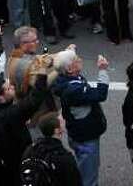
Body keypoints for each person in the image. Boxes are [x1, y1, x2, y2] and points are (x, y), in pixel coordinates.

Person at [51, 48, 111, 186]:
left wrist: (69, 53)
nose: (80, 60)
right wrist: (102, 70)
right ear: (70, 69)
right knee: (89, 178)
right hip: (86, 137)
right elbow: (101, 94)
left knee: (85, 168)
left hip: (77, 132)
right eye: (75, 59)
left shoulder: (64, 80)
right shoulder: (74, 89)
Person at [21, 112, 83, 186]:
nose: (64, 121)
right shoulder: (64, 158)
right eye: (62, 120)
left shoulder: (30, 150)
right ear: (57, 130)